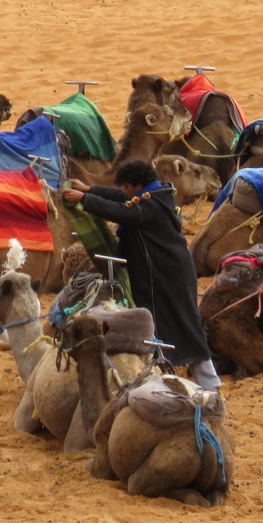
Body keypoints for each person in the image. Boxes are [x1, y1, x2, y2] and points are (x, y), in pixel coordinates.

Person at [61, 160, 221, 390]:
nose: (125, 192)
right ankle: (169, 375)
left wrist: (85, 200)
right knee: (170, 323)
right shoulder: (155, 194)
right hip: (166, 271)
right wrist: (91, 190)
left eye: (126, 187)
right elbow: (124, 201)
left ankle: (209, 383)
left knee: (181, 324)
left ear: (136, 185)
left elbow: (122, 212)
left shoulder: (150, 206)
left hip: (164, 275)